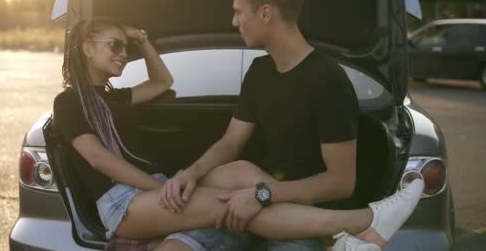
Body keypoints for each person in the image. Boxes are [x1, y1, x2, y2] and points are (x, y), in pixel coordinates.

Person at [52, 16, 424, 251]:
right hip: (123, 204)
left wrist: (142, 38)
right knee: (233, 203)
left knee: (243, 172)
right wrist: (159, 187)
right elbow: (101, 160)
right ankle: (359, 224)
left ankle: (339, 239)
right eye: (113, 45)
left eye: (124, 46)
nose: (122, 52)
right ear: (86, 48)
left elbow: (163, 81)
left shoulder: (114, 98)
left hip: (151, 186)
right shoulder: (68, 103)